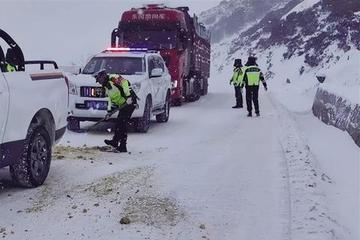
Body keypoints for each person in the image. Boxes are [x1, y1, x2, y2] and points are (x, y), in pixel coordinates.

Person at [94, 70, 136, 152]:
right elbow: (112, 100)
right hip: (123, 105)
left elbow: (125, 83)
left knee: (122, 123)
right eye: (98, 81)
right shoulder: (106, 87)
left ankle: (123, 146)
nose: (99, 82)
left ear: (103, 76)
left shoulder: (113, 78)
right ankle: (115, 142)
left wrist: (128, 96)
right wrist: (109, 111)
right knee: (119, 123)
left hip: (130, 102)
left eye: (99, 80)